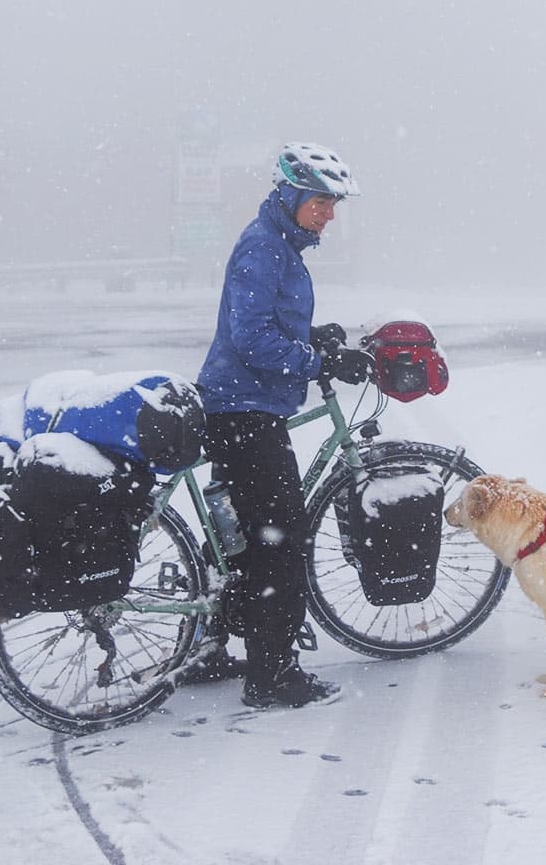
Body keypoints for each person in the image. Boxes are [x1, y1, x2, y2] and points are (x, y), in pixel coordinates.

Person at [192, 142, 373, 708]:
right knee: (279, 540)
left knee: (239, 537)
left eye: (334, 203)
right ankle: (271, 676)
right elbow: (249, 337)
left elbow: (266, 322)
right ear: (293, 194)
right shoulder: (264, 249)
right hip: (244, 412)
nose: (329, 213)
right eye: (321, 201)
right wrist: (319, 363)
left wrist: (312, 338)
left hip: (238, 408)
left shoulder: (278, 248)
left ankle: (209, 645)